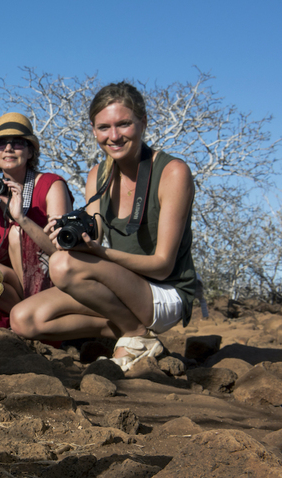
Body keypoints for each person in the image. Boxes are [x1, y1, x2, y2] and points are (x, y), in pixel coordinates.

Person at [10, 82, 197, 371]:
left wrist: (99, 254)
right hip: (122, 286)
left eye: (123, 124)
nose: (113, 136)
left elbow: (162, 265)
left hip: (165, 292)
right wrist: (68, 232)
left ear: (143, 123)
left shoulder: (173, 172)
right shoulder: (98, 174)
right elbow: (94, 229)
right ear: (94, 130)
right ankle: (130, 331)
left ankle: (135, 334)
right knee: (23, 319)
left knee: (63, 266)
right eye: (103, 127)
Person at [0, 112, 73, 328]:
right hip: (15, 286)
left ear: (30, 151)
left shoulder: (52, 185)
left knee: (17, 233)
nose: (8, 149)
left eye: (17, 143)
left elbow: (63, 253)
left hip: (52, 279)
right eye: (0, 144)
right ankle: (23, 316)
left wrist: (21, 219)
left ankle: (32, 315)